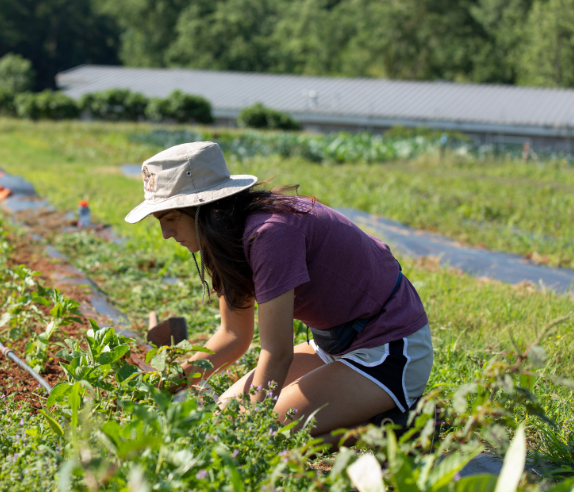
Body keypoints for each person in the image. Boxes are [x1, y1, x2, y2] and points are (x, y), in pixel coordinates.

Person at [125, 142, 433, 445]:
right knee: (225, 413)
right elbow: (233, 335)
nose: (166, 234)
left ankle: (392, 426)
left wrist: (248, 431)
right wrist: (167, 384)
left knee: (259, 434)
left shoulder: (270, 234)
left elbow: (277, 352)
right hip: (335, 345)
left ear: (201, 209)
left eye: (170, 218)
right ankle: (367, 413)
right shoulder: (227, 241)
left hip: (390, 349)